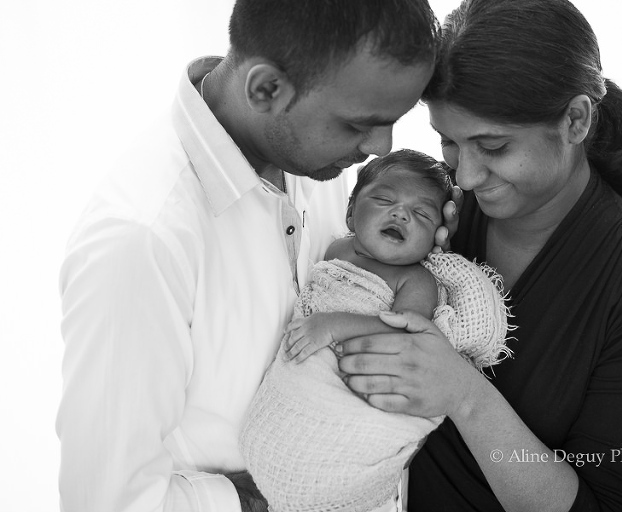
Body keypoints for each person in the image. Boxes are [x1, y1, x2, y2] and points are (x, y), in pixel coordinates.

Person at [56, 2, 451, 511]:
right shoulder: (143, 239)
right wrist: (271, 500)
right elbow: (103, 501)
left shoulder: (316, 162)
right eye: (360, 125)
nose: (380, 146)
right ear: (266, 89)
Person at [334, 1, 622, 511]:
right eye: (450, 143)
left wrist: (463, 393)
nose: (465, 176)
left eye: (494, 146)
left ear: (575, 120)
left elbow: (599, 505)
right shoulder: (435, 222)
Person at [238, 150, 510, 512]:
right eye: (384, 200)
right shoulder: (336, 249)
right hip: (302, 381)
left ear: (436, 237)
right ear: (351, 211)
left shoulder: (415, 279)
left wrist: (334, 326)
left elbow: (405, 337)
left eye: (422, 214)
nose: (401, 214)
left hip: (360, 382)